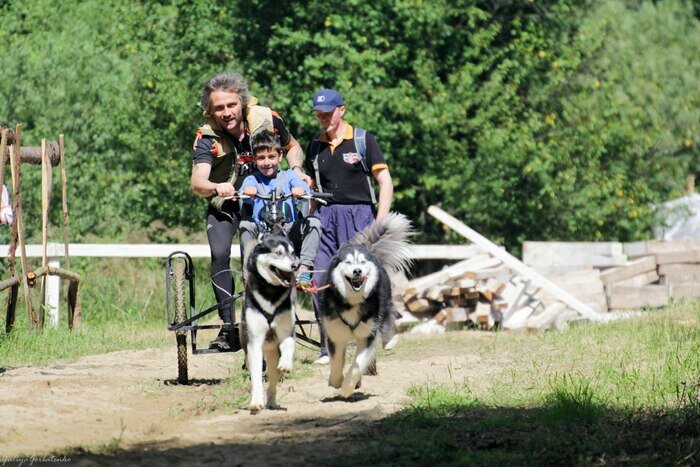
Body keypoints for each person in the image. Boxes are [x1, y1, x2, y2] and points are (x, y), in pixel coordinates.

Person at [190, 72, 311, 351]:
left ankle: (272, 319)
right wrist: (216, 186)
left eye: (231, 105)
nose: (226, 112)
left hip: (266, 201)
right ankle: (228, 328)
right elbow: (197, 181)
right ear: (210, 110)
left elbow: (293, 147)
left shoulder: (267, 119)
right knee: (220, 253)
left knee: (268, 254)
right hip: (228, 203)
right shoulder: (207, 137)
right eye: (219, 108)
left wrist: (296, 171)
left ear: (241, 103)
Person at [305, 89, 394, 364]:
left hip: (359, 216)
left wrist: (380, 223)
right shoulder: (314, 147)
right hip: (325, 217)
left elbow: (385, 182)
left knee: (361, 283)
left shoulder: (362, 140)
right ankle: (328, 346)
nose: (323, 118)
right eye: (319, 114)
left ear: (342, 110)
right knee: (319, 278)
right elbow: (310, 188)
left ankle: (380, 328)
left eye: (328, 113)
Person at [238, 130, 321, 288]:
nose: (267, 162)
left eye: (271, 157)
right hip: (262, 233)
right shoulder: (253, 179)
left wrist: (299, 190)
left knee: (314, 222)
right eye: (261, 158)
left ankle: (304, 269)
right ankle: (250, 274)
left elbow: (303, 187)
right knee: (245, 224)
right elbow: (245, 191)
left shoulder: (289, 176)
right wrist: (249, 191)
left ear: (280, 156)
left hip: (288, 231)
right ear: (254, 160)